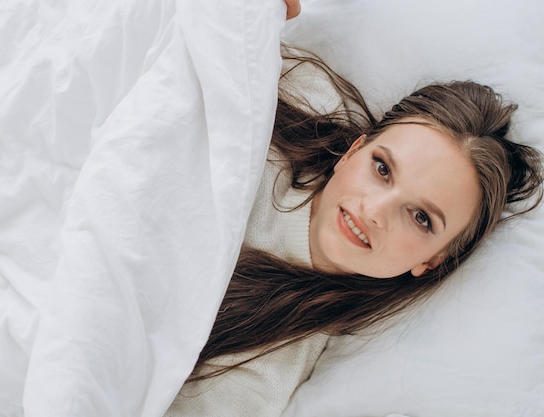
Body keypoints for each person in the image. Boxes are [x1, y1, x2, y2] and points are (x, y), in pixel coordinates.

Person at [164, 35, 544, 417]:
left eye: (421, 217)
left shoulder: (268, 364)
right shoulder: (301, 89)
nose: (375, 210)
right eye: (382, 168)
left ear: (433, 261)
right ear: (352, 152)